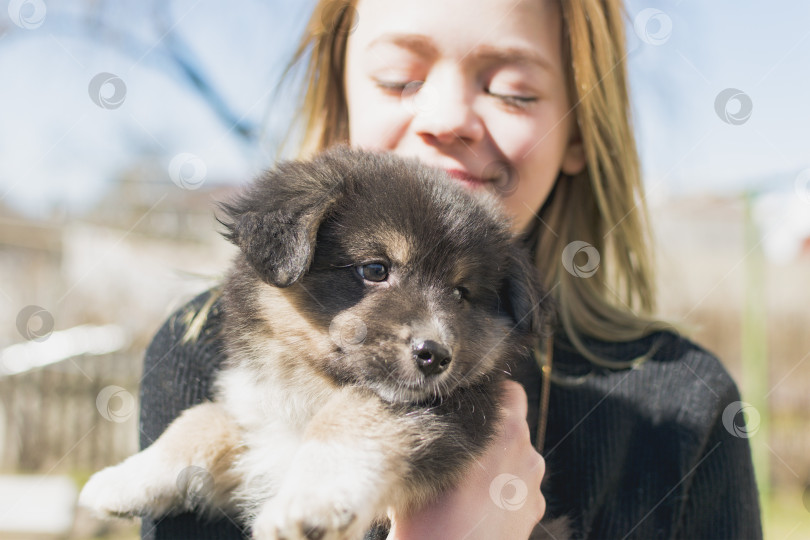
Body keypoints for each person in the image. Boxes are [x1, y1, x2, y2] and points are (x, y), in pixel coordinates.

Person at [138, 0, 763, 538]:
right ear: (342, 93)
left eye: (513, 91)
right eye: (398, 79)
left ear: (580, 132)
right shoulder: (197, 349)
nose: (446, 119)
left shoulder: (681, 404)